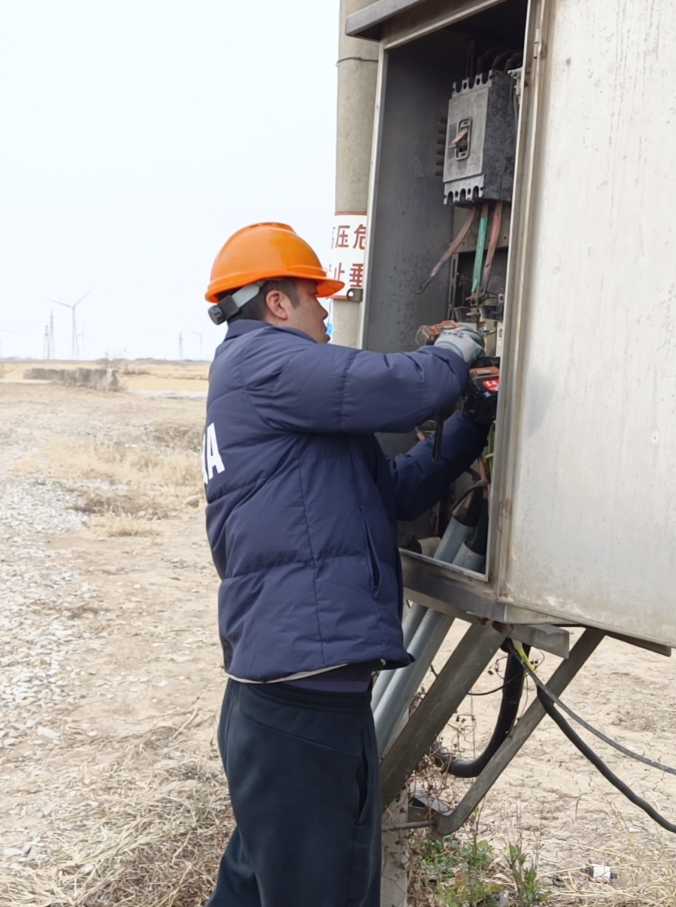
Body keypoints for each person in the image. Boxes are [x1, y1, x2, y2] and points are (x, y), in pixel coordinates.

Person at [199, 222, 493, 907]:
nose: (326, 310)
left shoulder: (280, 395)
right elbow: (402, 388)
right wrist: (457, 349)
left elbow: (395, 492)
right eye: (314, 296)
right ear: (276, 303)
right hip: (302, 705)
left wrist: (473, 421)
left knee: (255, 888)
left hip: (290, 702)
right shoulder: (262, 361)